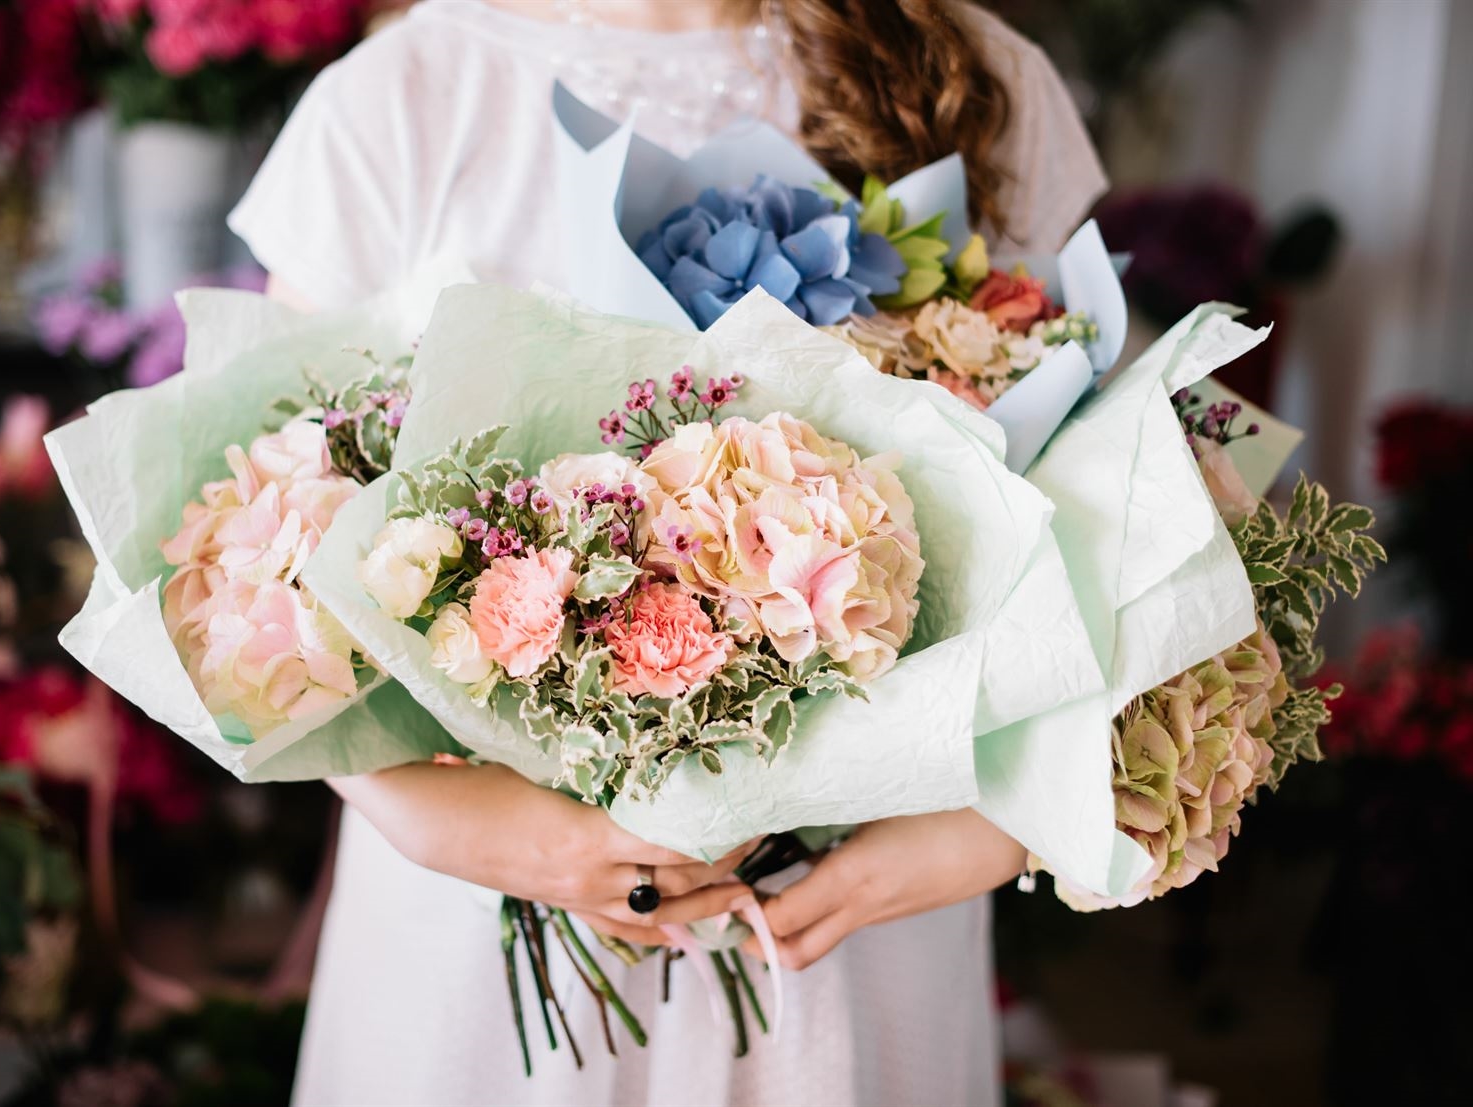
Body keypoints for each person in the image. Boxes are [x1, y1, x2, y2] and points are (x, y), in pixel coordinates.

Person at [228, 2, 1105, 1102]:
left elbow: (1112, 514)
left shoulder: (978, 79)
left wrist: (997, 825)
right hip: (483, 918)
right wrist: (448, 822)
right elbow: (252, 556)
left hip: (855, 922)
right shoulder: (406, 97)